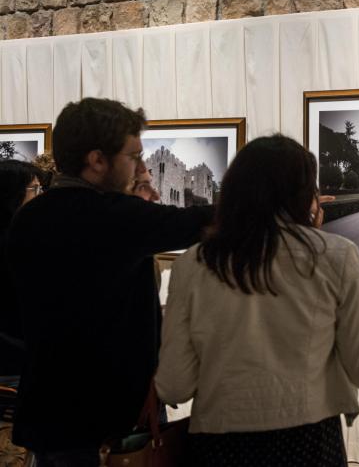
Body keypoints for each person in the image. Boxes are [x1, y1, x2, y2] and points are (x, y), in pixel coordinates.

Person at [155, 135, 359, 467]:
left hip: (219, 447)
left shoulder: (192, 264)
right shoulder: (337, 256)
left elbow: (173, 387)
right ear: (301, 193)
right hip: (309, 444)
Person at [6, 98, 214, 466]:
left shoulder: (29, 218)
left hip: (49, 415)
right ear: (97, 160)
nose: (138, 168)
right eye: (133, 157)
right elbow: (204, 223)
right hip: (103, 425)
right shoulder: (114, 218)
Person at [0, 160, 44, 378]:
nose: (41, 196)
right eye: (35, 189)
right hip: (14, 364)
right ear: (12, 194)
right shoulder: (14, 244)